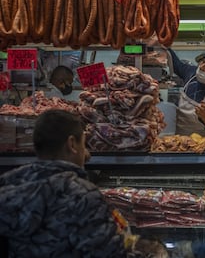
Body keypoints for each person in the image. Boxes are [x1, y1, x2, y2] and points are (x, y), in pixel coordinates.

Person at [0, 109, 129, 257]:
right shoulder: (82, 196)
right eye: (84, 144)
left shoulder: (9, 184)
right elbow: (107, 253)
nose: (87, 153)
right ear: (72, 144)